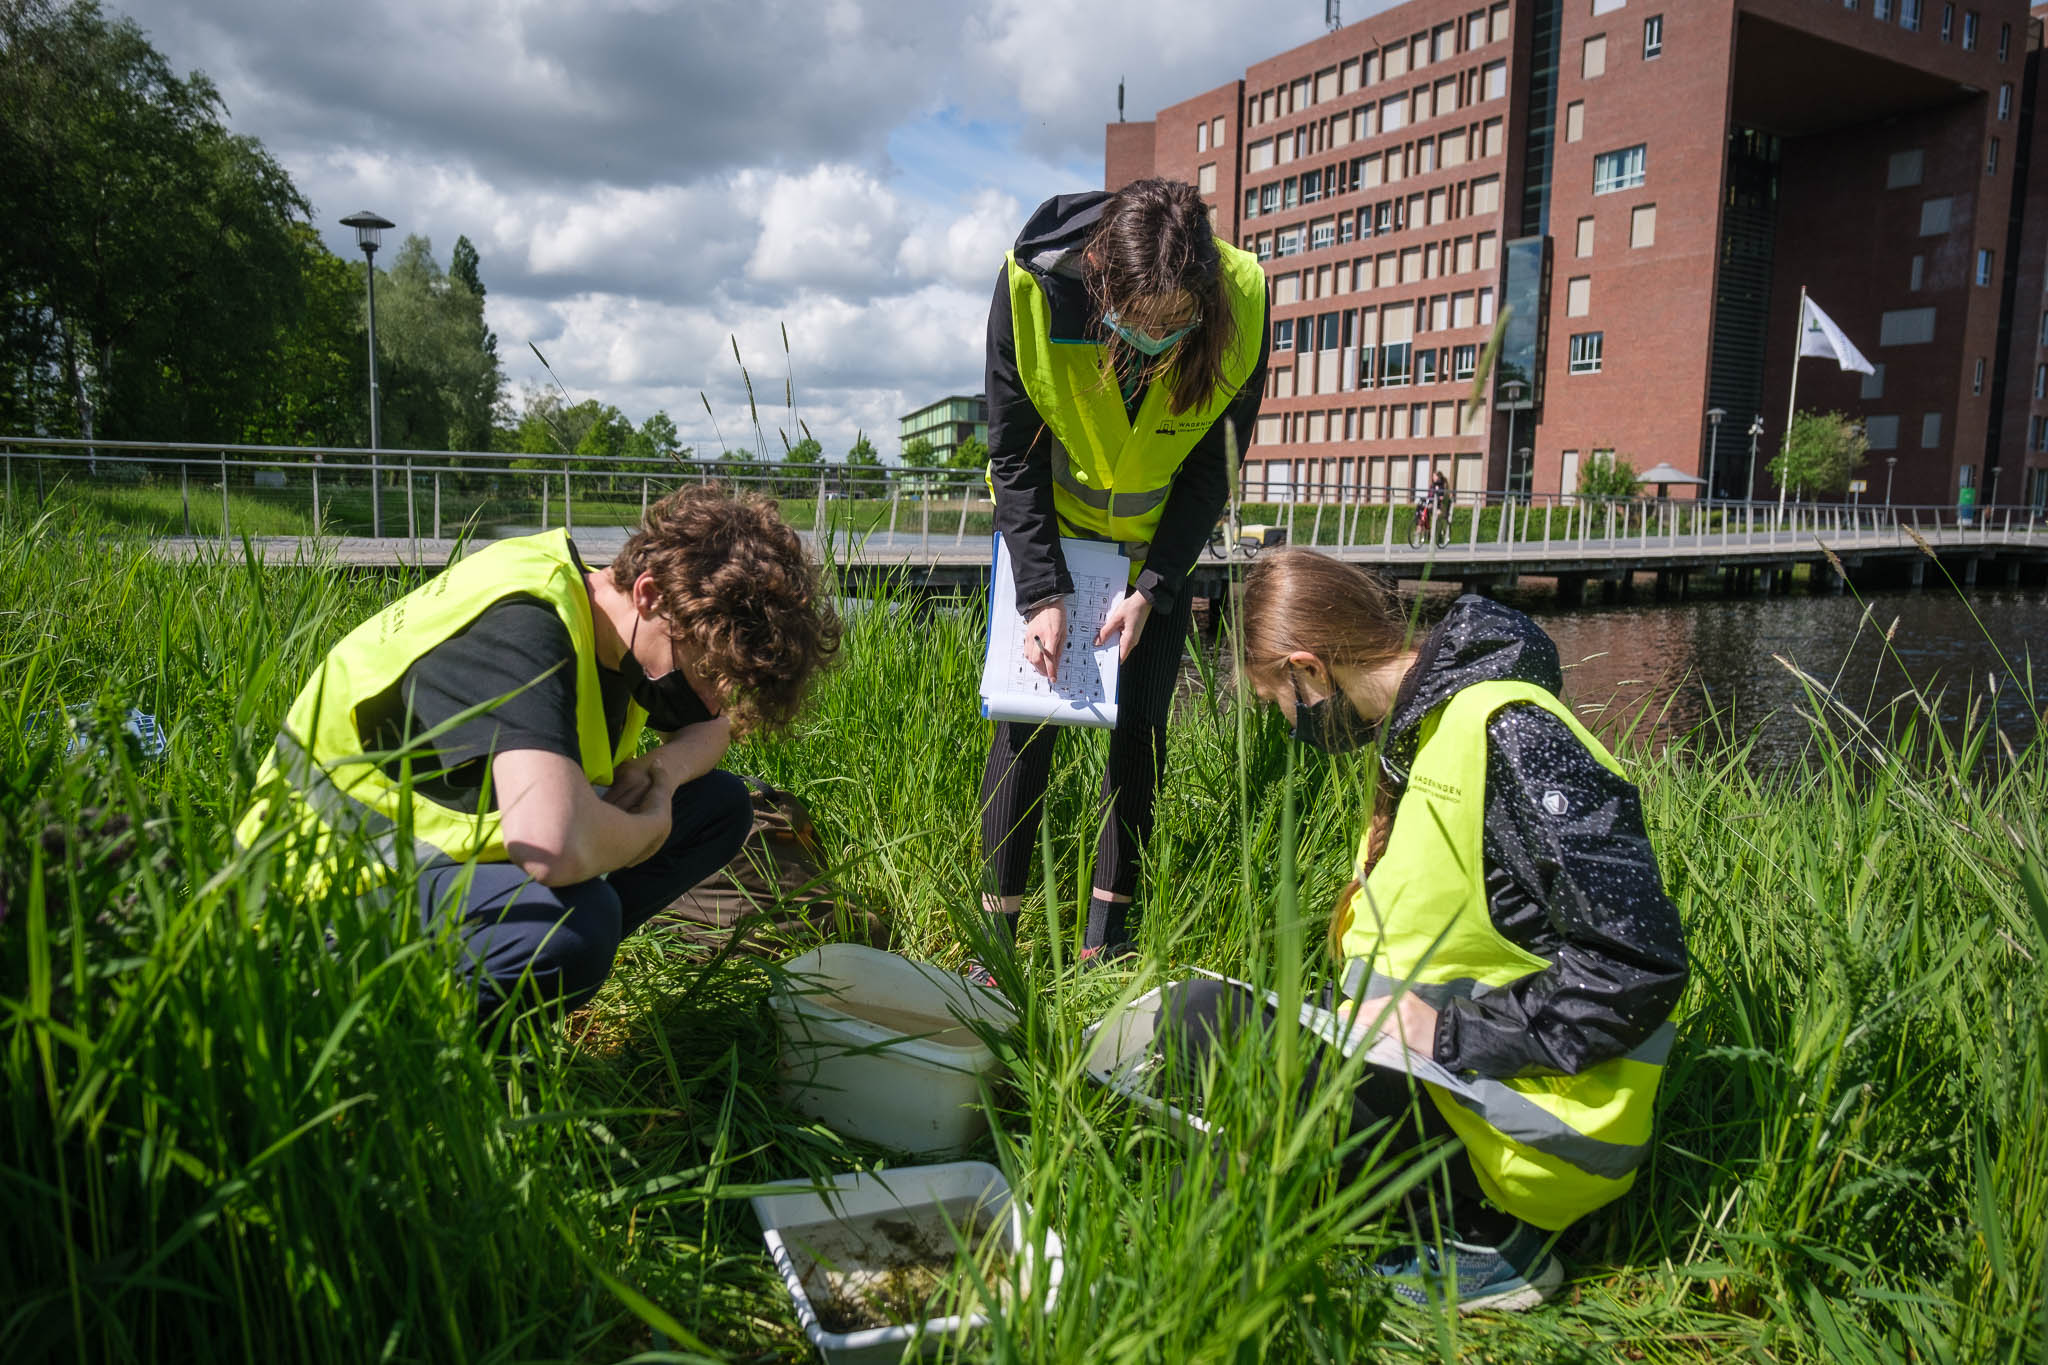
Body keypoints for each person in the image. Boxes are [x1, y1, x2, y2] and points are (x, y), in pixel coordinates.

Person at [1155, 548, 1688, 1311]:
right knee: (1195, 1018)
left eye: (1278, 701)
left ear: (1308, 670)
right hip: (1438, 1081)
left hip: (1521, 1125)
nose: (1286, 724)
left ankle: (1486, 1238)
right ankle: (1381, 1192)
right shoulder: (1419, 732)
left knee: (1218, 1178)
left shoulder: (1512, 734)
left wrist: (1443, 1030)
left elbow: (1640, 964)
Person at [237, 485, 840, 1023]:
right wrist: (648, 829)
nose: (714, 696)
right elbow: (551, 846)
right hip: (314, 903)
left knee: (718, 805)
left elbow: (714, 730)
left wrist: (662, 771)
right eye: (709, 670)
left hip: (435, 867)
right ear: (652, 594)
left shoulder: (628, 631)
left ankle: (510, 1005)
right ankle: (396, 1047)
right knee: (574, 931)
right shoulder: (525, 625)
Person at [975, 177, 1269, 975]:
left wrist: (1156, 584)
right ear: (1102, 278)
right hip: (1051, 536)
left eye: (1177, 326)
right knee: (1025, 719)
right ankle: (995, 937)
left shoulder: (1245, 301)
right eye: (1139, 324)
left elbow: (1216, 469)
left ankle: (1108, 935)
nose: (1156, 342)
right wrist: (1041, 591)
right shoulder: (1031, 287)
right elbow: (1012, 452)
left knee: (1141, 727)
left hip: (1153, 556)